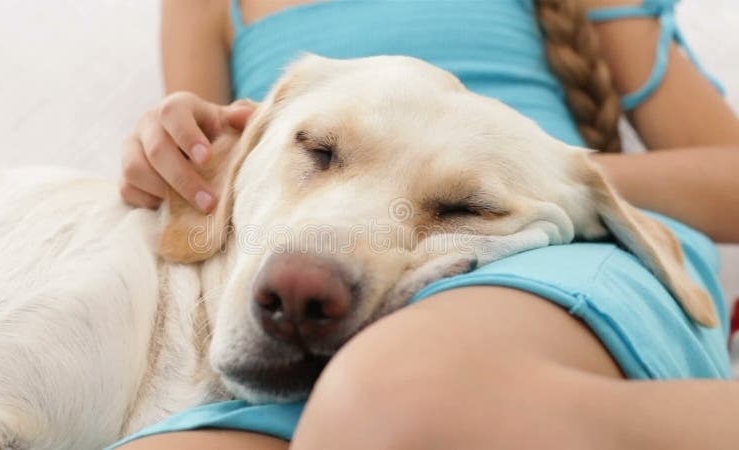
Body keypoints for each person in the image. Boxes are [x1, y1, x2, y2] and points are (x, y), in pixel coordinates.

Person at [115, 1, 739, 449]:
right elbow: (199, 203)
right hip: (288, 267)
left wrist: (550, 184)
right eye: (323, 148)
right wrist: (173, 151)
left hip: (534, 242)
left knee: (397, 405)